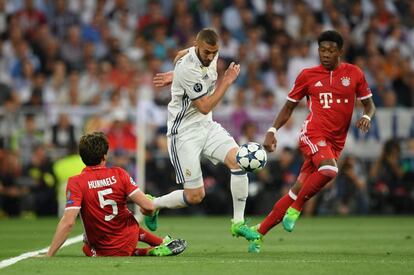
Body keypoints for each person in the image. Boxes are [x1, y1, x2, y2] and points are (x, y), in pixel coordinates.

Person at [248, 30, 376, 253]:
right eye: (322, 50)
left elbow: (370, 105)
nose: (325, 54)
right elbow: (289, 107)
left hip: (336, 142)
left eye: (330, 50)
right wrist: (272, 130)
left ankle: (258, 234)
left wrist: (366, 116)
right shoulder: (307, 75)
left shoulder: (354, 74)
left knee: (297, 189)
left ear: (340, 51)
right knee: (329, 170)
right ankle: (296, 210)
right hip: (313, 134)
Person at [147, 28, 259, 241]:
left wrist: (176, 76)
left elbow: (182, 53)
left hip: (207, 127)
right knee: (195, 196)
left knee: (239, 161)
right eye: (206, 52)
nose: (210, 56)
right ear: (198, 45)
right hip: (184, 133)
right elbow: (205, 106)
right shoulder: (188, 68)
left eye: (213, 52)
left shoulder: (207, 52)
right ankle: (153, 205)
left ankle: (238, 223)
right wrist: (225, 81)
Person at [46, 132, 187, 257]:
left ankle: (149, 250)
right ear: (105, 155)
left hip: (103, 247)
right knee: (128, 219)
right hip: (129, 237)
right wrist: (150, 207)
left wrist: (49, 253)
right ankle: (159, 243)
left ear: (81, 156)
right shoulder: (120, 173)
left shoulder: (76, 182)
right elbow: (147, 205)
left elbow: (68, 222)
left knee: (86, 247)